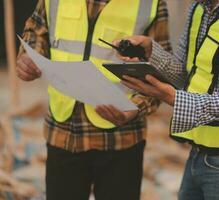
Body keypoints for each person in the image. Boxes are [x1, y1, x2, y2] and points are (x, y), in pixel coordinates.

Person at [117, 0, 219, 199]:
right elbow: (187, 74)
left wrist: (174, 98)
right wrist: (151, 51)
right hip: (199, 152)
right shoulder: (199, 9)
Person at [16, 0, 171, 199]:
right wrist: (29, 57)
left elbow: (162, 69)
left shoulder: (150, 3)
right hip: (63, 132)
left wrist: (137, 108)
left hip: (121, 139)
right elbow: (37, 29)